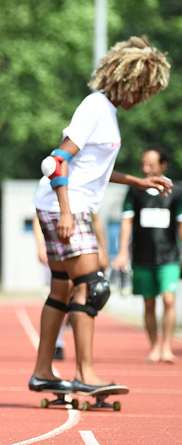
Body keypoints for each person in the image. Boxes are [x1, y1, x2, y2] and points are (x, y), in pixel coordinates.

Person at [29, 36, 170, 396]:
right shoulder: (96, 107)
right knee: (93, 287)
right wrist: (66, 212)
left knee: (62, 288)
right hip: (66, 205)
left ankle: (43, 372)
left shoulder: (106, 111)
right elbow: (57, 161)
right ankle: (85, 374)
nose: (142, 99)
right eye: (141, 90)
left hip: (60, 203)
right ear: (125, 80)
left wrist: (137, 180)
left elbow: (93, 167)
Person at [112, 145, 181, 363]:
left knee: (169, 299)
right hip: (142, 257)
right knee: (148, 303)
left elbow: (181, 225)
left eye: (151, 165)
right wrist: (122, 252)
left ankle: (167, 347)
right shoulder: (135, 191)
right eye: (143, 164)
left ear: (163, 165)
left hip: (169, 257)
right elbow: (126, 222)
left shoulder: (176, 191)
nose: (146, 169)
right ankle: (154, 347)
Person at [32, 211, 109, 360]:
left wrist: (103, 249)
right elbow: (37, 218)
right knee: (62, 294)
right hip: (62, 230)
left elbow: (96, 219)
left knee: (84, 292)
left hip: (81, 234)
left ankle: (82, 361)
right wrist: (40, 246)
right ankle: (59, 345)